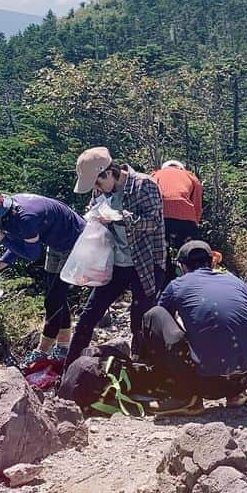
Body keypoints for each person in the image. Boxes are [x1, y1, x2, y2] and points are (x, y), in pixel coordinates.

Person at [64, 148, 165, 368]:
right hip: (115, 264)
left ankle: (142, 369)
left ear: (109, 172)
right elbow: (93, 208)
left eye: (98, 183)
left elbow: (154, 222)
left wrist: (121, 218)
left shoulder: (143, 185)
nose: (97, 189)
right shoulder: (100, 192)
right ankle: (68, 369)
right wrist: (95, 216)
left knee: (140, 320)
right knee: (89, 315)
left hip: (145, 262)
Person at [136, 239, 247, 416]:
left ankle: (184, 396)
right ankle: (236, 394)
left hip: (206, 384)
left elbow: (161, 325)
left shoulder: (176, 286)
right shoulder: (237, 282)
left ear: (182, 267)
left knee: (153, 315)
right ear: (212, 262)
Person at [0, 187, 85, 366]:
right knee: (56, 296)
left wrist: (3, 239)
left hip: (76, 241)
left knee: (53, 300)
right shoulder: (10, 214)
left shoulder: (25, 218)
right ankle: (62, 346)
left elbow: (32, 254)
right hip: (56, 242)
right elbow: (18, 247)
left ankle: (42, 351)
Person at [151, 160, 204, 283]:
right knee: (191, 251)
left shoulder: (156, 174)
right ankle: (194, 280)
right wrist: (194, 224)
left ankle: (166, 283)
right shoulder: (190, 176)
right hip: (186, 217)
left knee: (162, 255)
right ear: (181, 168)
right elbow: (197, 205)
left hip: (161, 217)